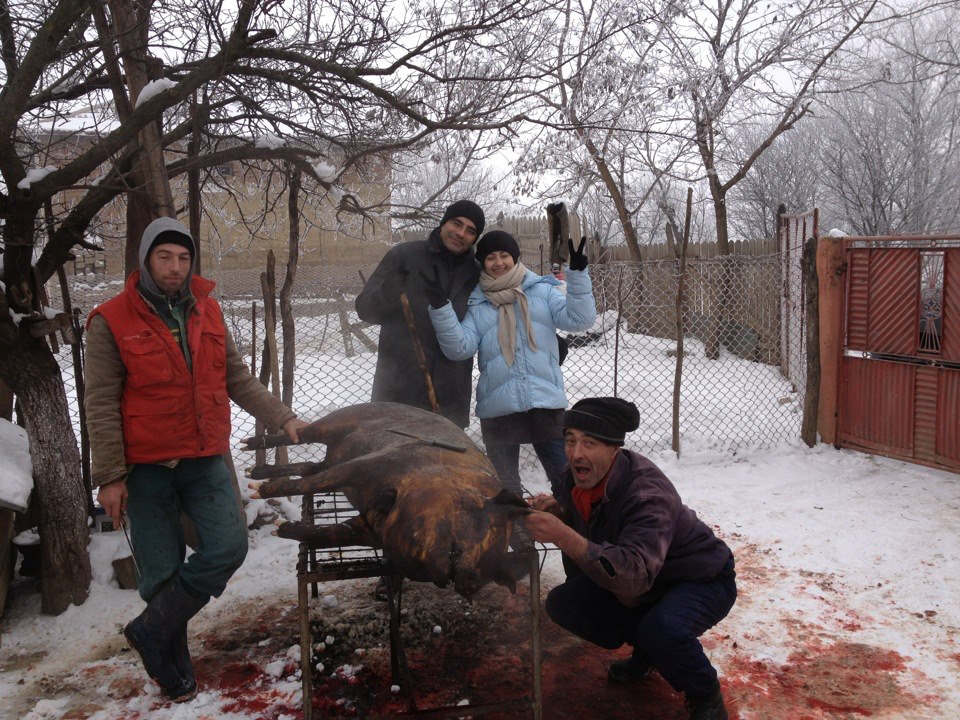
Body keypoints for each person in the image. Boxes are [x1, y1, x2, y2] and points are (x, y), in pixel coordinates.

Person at [84, 216, 308, 702]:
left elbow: (237, 378)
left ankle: (149, 628)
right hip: (146, 468)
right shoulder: (111, 320)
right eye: (165, 256)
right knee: (160, 573)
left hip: (205, 459)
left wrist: (285, 418)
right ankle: (171, 667)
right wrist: (109, 477)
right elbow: (100, 402)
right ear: (145, 259)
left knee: (228, 547)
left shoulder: (207, 311)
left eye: (183, 258)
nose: (175, 267)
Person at [523, 397, 736, 720]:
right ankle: (649, 651)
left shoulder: (647, 494)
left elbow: (633, 573)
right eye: (570, 440)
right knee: (565, 603)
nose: (576, 453)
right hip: (646, 579)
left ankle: (705, 694)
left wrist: (562, 534)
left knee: (662, 627)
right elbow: (593, 527)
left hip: (700, 578)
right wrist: (560, 514)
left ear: (614, 449)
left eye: (589, 443)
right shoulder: (575, 479)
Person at [424, 231, 596, 496]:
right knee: (505, 489)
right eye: (491, 257)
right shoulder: (478, 302)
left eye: (504, 255)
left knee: (565, 480)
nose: (498, 262)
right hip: (498, 409)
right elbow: (459, 348)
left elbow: (579, 320)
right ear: (483, 262)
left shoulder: (542, 290)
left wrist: (578, 275)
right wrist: (440, 308)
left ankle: (571, 530)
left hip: (545, 403)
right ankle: (517, 536)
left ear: (515, 258)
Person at [355, 200, 485, 429]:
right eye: (457, 223)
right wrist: (389, 291)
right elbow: (365, 310)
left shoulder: (476, 272)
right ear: (444, 223)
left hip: (450, 395)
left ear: (475, 238)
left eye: (470, 231)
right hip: (399, 387)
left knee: (443, 462)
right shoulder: (404, 256)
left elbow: (495, 315)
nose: (461, 233)